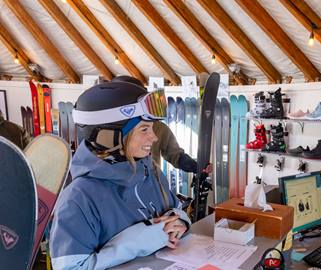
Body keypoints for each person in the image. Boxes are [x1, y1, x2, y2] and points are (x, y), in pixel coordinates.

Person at [49, 82, 190, 269]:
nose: (154, 138)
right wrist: (141, 240)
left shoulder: (151, 172)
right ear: (110, 137)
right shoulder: (78, 198)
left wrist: (180, 222)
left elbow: (177, 209)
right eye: (144, 129)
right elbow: (72, 267)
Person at [110, 75, 207, 174]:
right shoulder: (102, 130)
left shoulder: (157, 128)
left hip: (148, 182)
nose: (153, 137)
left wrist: (196, 167)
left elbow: (175, 155)